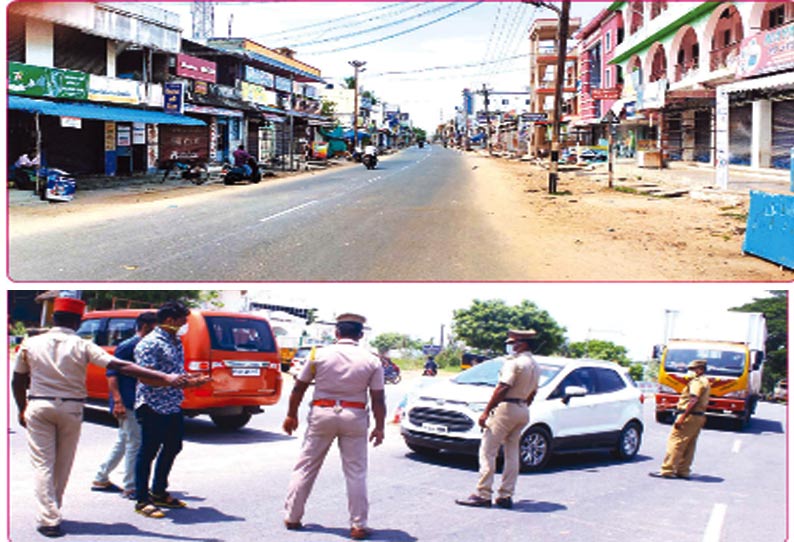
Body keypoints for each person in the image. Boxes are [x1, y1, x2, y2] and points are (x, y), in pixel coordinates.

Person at [11, 297, 189, 539]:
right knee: (62, 464)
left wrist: (22, 407)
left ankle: (49, 516)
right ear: (77, 321)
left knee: (43, 464)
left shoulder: (31, 343)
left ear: (54, 318)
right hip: (71, 409)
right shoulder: (82, 345)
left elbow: (18, 380)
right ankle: (52, 512)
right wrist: (165, 377)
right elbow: (119, 365)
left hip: (39, 404)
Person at [283, 313, 386, 541]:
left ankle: (292, 516)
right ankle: (358, 525)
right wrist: (379, 427)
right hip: (355, 415)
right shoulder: (371, 360)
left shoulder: (318, 354)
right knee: (356, 472)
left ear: (336, 333)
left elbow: (299, 388)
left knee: (306, 466)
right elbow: (378, 398)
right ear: (360, 335)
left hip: (322, 413)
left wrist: (291, 415)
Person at [133, 301, 211, 519]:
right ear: (170, 320)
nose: (186, 324)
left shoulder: (175, 341)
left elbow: (175, 372)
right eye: (182, 320)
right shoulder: (150, 344)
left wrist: (193, 380)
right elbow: (145, 377)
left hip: (172, 405)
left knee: (173, 446)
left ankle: (158, 491)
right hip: (152, 405)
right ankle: (142, 499)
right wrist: (179, 383)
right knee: (148, 452)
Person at [456, 329, 540, 510]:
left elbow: (502, 387)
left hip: (506, 408)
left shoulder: (515, 363)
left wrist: (487, 411)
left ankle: (483, 494)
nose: (512, 346)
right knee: (512, 453)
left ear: (522, 344)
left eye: (514, 343)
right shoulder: (535, 365)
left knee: (488, 450)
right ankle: (505, 495)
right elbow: (533, 393)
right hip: (522, 409)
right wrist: (522, 405)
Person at [92, 312, 157, 499]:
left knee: (124, 440)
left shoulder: (146, 346)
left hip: (137, 400)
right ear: (145, 327)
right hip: (127, 401)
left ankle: (101, 477)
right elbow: (112, 375)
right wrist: (118, 401)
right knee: (135, 442)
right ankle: (131, 486)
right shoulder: (128, 346)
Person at [650, 359, 711, 480]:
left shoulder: (697, 382)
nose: (690, 372)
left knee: (676, 442)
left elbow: (693, 399)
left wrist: (682, 417)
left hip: (689, 416)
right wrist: (671, 406)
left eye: (692, 369)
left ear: (700, 370)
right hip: (698, 416)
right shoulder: (706, 381)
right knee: (689, 445)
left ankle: (667, 470)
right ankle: (683, 471)